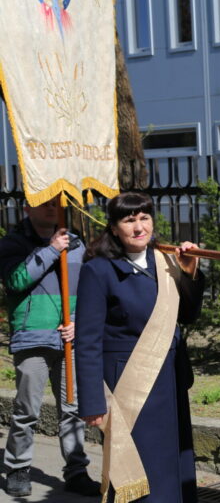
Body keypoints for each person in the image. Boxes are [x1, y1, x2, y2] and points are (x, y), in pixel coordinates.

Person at [74, 192, 205, 503]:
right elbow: (87, 340)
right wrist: (92, 401)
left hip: (169, 379)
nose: (139, 227)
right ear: (114, 228)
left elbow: (187, 315)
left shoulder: (165, 261)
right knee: (140, 469)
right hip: (129, 383)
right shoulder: (98, 270)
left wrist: (189, 273)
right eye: (129, 220)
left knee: (173, 467)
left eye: (144, 218)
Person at [0, 197, 100, 497]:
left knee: (72, 408)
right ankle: (18, 467)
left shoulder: (77, 245)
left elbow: (88, 289)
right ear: (27, 209)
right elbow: (16, 280)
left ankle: (76, 471)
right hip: (32, 337)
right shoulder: (13, 244)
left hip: (69, 339)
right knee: (27, 408)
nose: (51, 208)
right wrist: (52, 249)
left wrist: (78, 322)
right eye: (43, 204)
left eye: (55, 204)